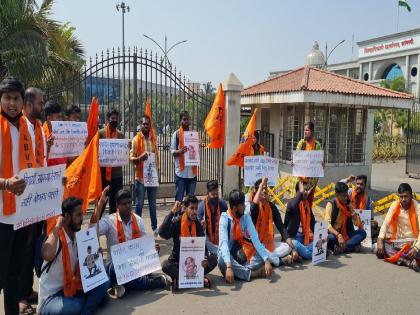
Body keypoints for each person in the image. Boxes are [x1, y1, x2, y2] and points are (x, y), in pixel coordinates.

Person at [90, 188, 167, 299]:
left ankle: (121, 284)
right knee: (114, 270)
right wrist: (101, 203)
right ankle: (149, 283)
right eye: (123, 204)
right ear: (117, 205)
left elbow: (145, 244)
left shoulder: (138, 220)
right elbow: (92, 228)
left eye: (129, 203)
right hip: (116, 266)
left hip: (136, 264)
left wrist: (153, 248)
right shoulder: (109, 221)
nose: (127, 206)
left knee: (121, 276)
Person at [38, 197, 109, 315]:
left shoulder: (79, 238)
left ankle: (84, 308)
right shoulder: (56, 238)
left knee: (104, 282)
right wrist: (57, 227)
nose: (81, 219)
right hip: (51, 298)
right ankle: (86, 306)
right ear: (66, 217)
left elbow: (86, 267)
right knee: (74, 306)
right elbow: (47, 254)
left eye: (82, 214)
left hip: (72, 289)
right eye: (78, 215)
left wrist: (96, 256)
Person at [0, 77, 33, 315]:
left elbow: (32, 167)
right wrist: (5, 183)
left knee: (14, 276)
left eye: (16, 98)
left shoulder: (27, 127)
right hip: (0, 216)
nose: (12, 103)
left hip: (22, 215)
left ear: (23, 102)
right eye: (7, 98)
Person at [19, 87, 48, 314]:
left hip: (38, 199)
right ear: (28, 104)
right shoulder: (18, 127)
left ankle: (28, 289)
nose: (43, 106)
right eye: (40, 103)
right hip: (22, 201)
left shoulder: (39, 128)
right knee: (23, 249)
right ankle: (21, 297)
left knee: (33, 246)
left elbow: (43, 161)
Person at [158, 195, 217, 290]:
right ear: (185, 208)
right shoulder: (177, 222)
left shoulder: (197, 223)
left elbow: (203, 245)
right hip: (178, 261)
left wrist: (205, 258)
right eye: (192, 208)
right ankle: (197, 278)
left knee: (214, 258)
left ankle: (180, 278)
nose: (195, 212)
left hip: (195, 263)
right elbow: (162, 233)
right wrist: (172, 212)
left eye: (196, 208)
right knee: (165, 265)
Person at [218, 190, 274, 283]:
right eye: (242, 205)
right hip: (228, 256)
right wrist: (228, 266)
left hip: (242, 252)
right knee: (221, 260)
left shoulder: (246, 216)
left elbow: (255, 239)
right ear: (234, 208)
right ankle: (252, 274)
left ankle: (237, 272)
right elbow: (223, 244)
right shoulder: (224, 218)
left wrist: (266, 260)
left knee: (261, 256)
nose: (245, 206)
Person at [250, 177, 298, 265]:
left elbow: (281, 228)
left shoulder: (272, 207)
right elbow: (254, 206)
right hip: (257, 244)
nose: (265, 191)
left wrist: (293, 248)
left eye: (266, 189)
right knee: (258, 253)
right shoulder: (254, 208)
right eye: (262, 189)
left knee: (287, 247)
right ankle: (279, 261)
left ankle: (270, 258)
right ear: (257, 192)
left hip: (269, 243)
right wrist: (261, 185)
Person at [376, 183, 420, 272]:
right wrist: (380, 239)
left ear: (411, 196)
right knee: (380, 245)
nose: (403, 199)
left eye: (405, 196)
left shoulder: (418, 208)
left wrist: (416, 248)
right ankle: (408, 261)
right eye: (401, 197)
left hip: (414, 243)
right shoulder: (394, 205)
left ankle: (402, 258)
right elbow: (385, 224)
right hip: (400, 242)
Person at [130, 115, 159, 235]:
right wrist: (139, 158)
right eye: (144, 124)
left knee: (153, 205)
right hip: (141, 178)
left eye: (148, 124)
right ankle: (137, 229)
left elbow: (156, 158)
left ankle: (154, 228)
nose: (146, 126)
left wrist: (158, 175)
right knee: (139, 205)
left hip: (152, 178)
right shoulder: (136, 140)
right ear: (140, 125)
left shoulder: (153, 139)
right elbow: (131, 158)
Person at [325, 182, 366, 255]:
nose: (345, 198)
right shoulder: (331, 204)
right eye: (343, 196)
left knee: (363, 233)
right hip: (335, 234)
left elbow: (357, 224)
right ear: (337, 195)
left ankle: (342, 249)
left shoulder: (348, 204)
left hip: (346, 234)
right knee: (331, 238)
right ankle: (351, 246)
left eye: (346, 195)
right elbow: (327, 225)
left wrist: (351, 209)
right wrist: (338, 235)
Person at [98, 109, 125, 214]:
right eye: (112, 118)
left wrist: (127, 147)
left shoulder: (121, 135)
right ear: (108, 119)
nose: (114, 120)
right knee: (102, 202)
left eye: (116, 118)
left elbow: (124, 152)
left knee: (115, 204)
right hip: (104, 176)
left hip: (117, 175)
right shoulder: (101, 133)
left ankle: (113, 227)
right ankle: (96, 226)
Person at [341, 174, 379, 243]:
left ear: (365, 186)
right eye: (357, 184)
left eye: (361, 184)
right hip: (348, 223)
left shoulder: (369, 201)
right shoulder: (349, 193)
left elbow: (371, 219)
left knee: (375, 228)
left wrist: (374, 223)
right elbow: (338, 187)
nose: (358, 186)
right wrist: (348, 180)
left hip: (361, 225)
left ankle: (358, 241)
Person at [284, 181, 316, 260]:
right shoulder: (291, 203)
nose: (305, 192)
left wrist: (320, 236)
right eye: (303, 190)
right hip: (293, 238)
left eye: (306, 190)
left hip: (305, 237)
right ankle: (313, 254)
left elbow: (313, 224)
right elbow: (293, 206)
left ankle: (301, 253)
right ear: (297, 192)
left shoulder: (307, 205)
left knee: (322, 241)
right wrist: (300, 193)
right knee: (295, 243)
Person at [293, 121, 322, 207]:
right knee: (298, 203)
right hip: (300, 180)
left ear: (312, 132)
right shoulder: (301, 143)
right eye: (304, 130)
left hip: (311, 181)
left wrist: (321, 164)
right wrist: (293, 162)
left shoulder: (317, 145)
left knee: (308, 204)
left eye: (307, 130)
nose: (305, 132)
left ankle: (308, 219)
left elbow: (319, 161)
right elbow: (296, 158)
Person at [170, 111, 198, 201]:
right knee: (179, 199)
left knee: (190, 201)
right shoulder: (176, 134)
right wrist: (180, 151)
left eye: (187, 119)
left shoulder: (193, 134)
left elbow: (197, 151)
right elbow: (172, 151)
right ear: (180, 121)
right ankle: (178, 215)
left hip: (192, 173)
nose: (186, 121)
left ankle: (188, 215)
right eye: (184, 119)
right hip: (181, 173)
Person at [197, 180, 228, 255]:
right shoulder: (201, 207)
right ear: (208, 194)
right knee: (203, 241)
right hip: (207, 235)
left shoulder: (222, 204)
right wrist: (201, 225)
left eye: (216, 194)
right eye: (213, 194)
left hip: (221, 233)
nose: (215, 196)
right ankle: (221, 252)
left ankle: (221, 251)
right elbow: (197, 228)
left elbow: (228, 221)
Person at [43, 100, 66, 166]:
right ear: (49, 118)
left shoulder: (62, 134)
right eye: (58, 117)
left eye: (61, 117)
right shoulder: (41, 135)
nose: (61, 120)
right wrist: (47, 148)